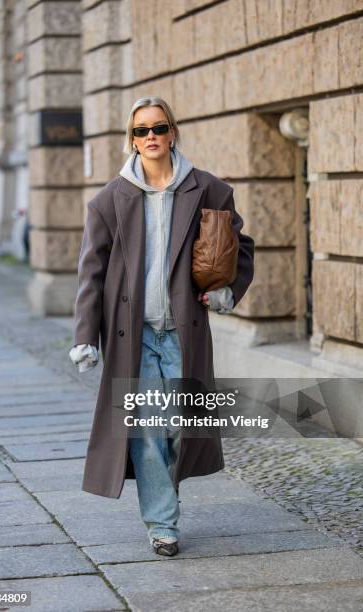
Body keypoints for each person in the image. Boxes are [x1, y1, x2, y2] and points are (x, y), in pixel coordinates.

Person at [70, 96, 254, 557]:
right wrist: (84, 336)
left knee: (179, 425)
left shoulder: (208, 189)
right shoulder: (110, 200)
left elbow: (239, 246)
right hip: (132, 337)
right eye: (140, 130)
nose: (149, 137)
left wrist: (228, 288)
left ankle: (164, 504)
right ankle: (162, 523)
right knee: (147, 429)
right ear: (130, 139)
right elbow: (91, 271)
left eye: (158, 127)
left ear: (173, 132)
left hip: (184, 331)